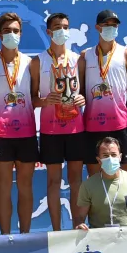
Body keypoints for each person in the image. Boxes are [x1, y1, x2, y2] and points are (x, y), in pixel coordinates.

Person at [30, 13, 87, 231]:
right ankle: (56, 231)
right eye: (57, 27)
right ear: (48, 32)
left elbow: (85, 92)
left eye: (65, 26)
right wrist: (44, 101)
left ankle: (77, 226)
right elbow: (33, 98)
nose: (62, 31)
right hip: (50, 130)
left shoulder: (78, 59)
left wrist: (83, 99)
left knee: (76, 182)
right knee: (53, 182)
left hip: (75, 128)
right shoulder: (38, 62)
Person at [0, 13, 38, 234]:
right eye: (7, 31)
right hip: (0, 134)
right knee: (4, 188)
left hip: (27, 132)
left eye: (15, 31)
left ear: (21, 34)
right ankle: (5, 237)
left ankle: (26, 235)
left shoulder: (31, 64)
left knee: (26, 187)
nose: (11, 35)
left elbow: (35, 97)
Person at [80, 10, 127, 176]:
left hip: (121, 124)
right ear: (98, 27)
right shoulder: (86, 55)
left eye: (114, 25)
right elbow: (82, 90)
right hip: (93, 125)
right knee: (95, 179)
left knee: (125, 179)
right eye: (106, 25)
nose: (111, 28)